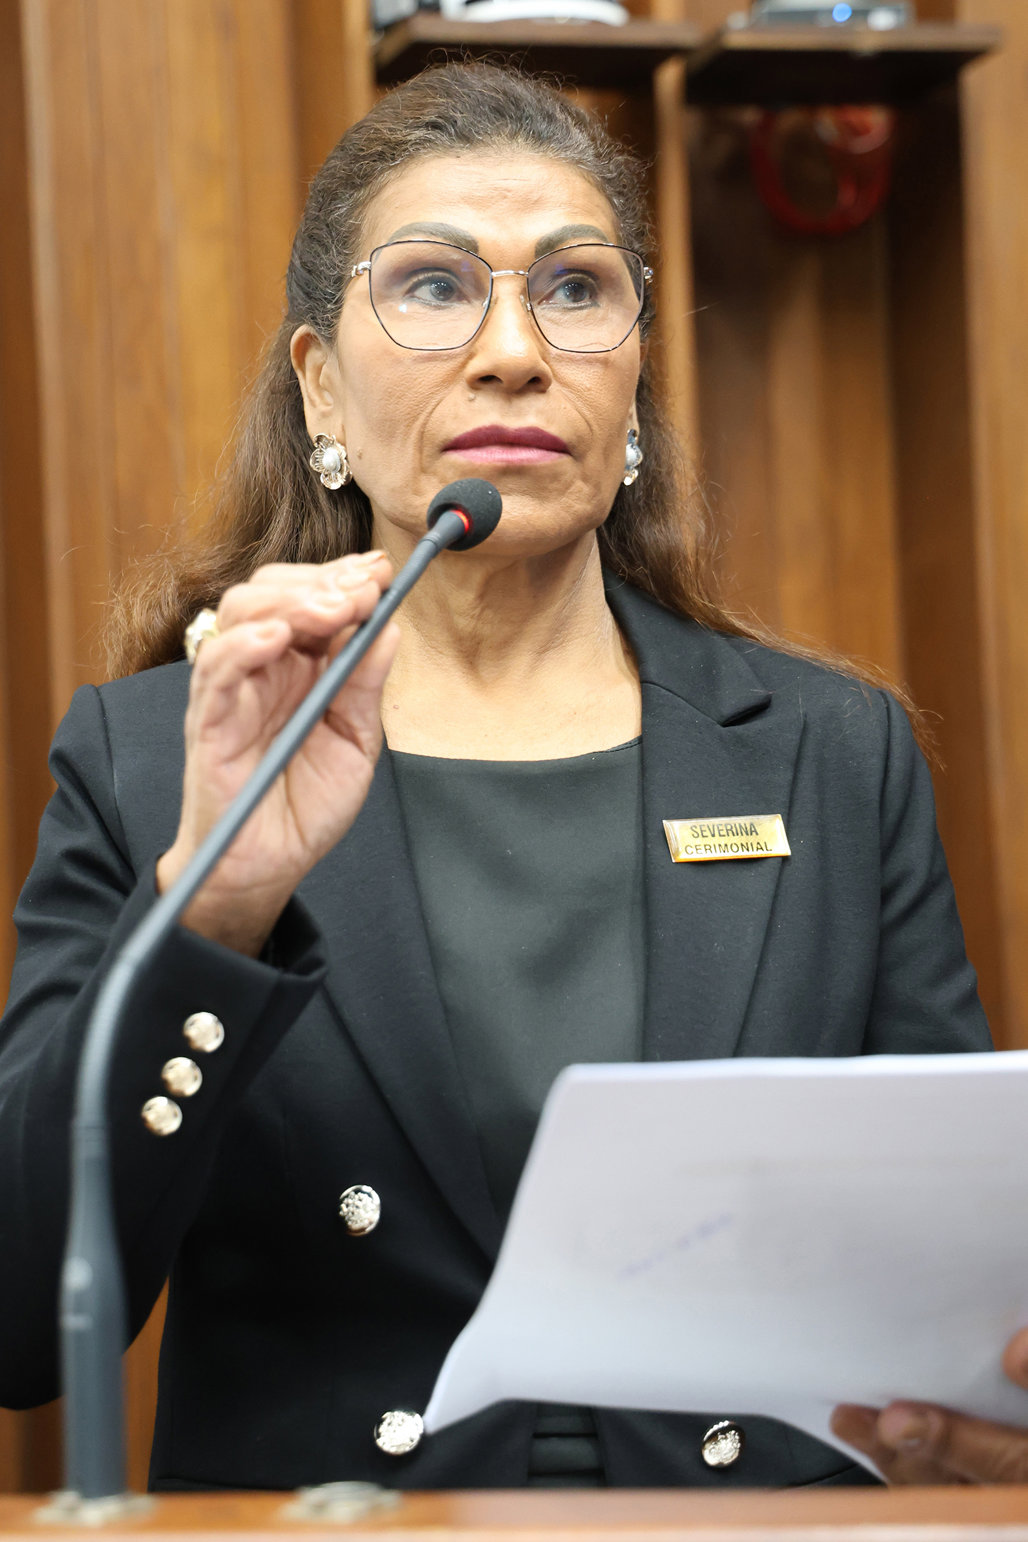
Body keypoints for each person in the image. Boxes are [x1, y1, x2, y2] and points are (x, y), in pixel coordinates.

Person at [0, 60, 1021, 1493]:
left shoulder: (830, 751)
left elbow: (951, 1262)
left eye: (575, 289)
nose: (513, 352)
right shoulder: (154, 758)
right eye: (432, 286)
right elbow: (18, 1318)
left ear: (635, 379)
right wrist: (214, 904)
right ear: (320, 387)